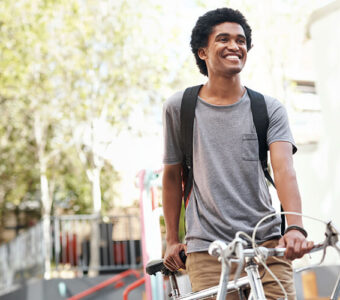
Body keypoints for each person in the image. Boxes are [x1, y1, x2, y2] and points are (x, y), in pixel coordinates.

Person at [162, 7, 313, 300]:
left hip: (267, 246)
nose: (235, 46)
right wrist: (171, 240)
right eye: (223, 39)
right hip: (207, 250)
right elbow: (172, 176)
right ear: (202, 52)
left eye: (241, 40)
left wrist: (295, 227)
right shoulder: (180, 107)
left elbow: (284, 170)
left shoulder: (268, 108)